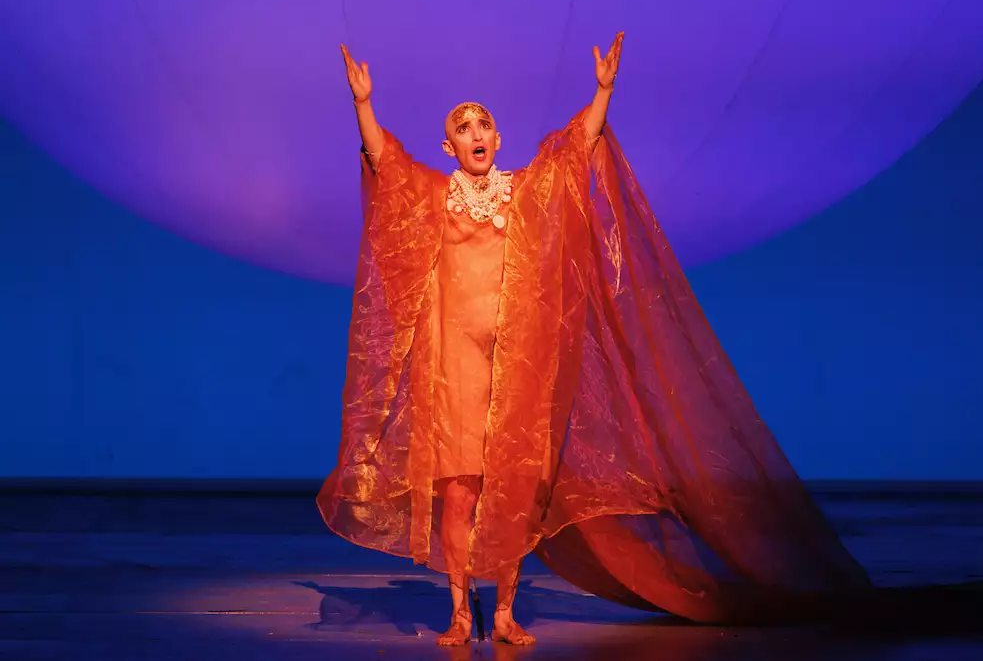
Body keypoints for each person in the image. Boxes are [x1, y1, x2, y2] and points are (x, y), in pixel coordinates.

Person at [318, 31, 877, 646]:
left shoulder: (526, 193)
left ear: (497, 140)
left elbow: (574, 150)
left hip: (515, 363)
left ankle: (502, 612)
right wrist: (363, 105)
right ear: (448, 145)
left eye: (484, 125)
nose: (476, 133)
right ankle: (458, 610)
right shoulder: (435, 197)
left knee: (511, 488)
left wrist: (602, 91)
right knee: (458, 492)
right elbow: (386, 164)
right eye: (464, 127)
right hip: (455, 366)